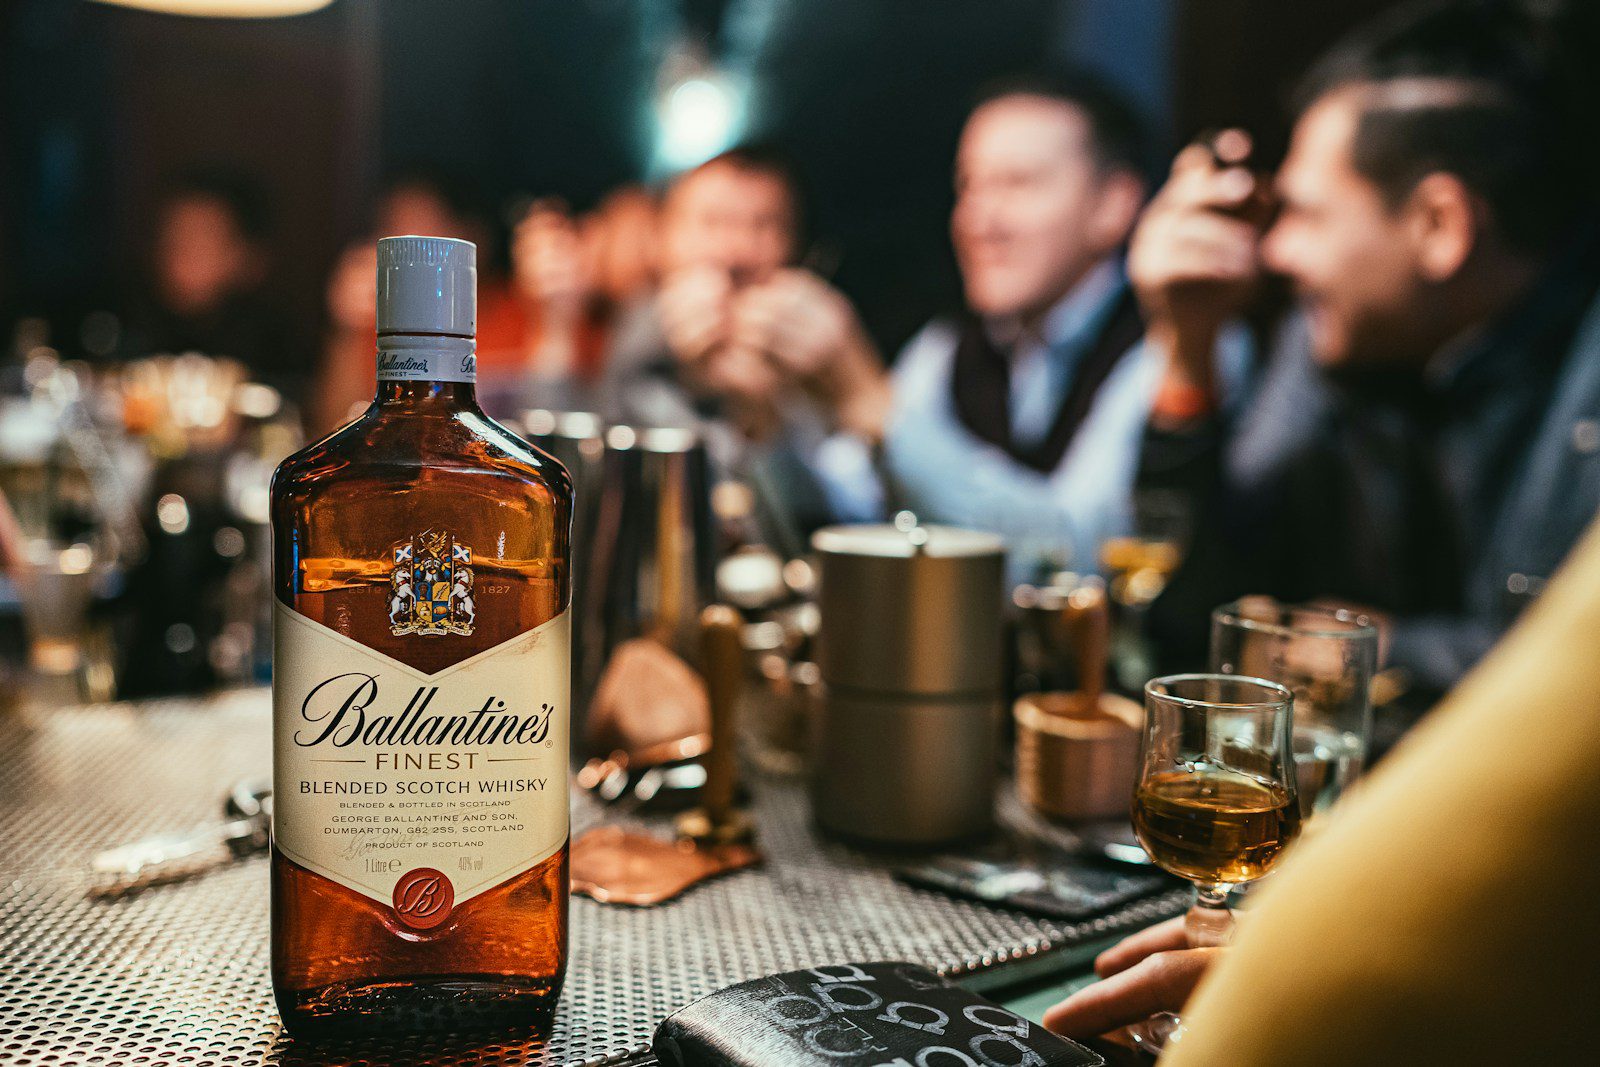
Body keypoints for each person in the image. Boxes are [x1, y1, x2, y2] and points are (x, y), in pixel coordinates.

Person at [1132, 0, 1600, 707]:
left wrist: (1382, 650)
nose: (1276, 251)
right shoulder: (1335, 348)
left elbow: (1567, 686)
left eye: (1307, 213)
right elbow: (1200, 626)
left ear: (1439, 225)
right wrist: (1187, 351)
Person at [791, 72, 1161, 581]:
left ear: (1112, 204)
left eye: (1017, 183)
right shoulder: (946, 348)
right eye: (969, 185)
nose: (978, 220)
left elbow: (1081, 554)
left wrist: (873, 406)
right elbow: (853, 509)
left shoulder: (1172, 349)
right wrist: (771, 413)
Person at [604, 145, 861, 552]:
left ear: (793, 247)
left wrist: (764, 418)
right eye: (713, 222)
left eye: (763, 225)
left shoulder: (818, 362)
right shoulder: (631, 345)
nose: (736, 253)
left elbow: (822, 534)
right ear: (662, 239)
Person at [123, 171, 306, 399]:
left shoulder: (273, 345)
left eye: (202, 238)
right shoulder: (120, 322)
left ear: (248, 256)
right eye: (173, 235)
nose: (183, 252)